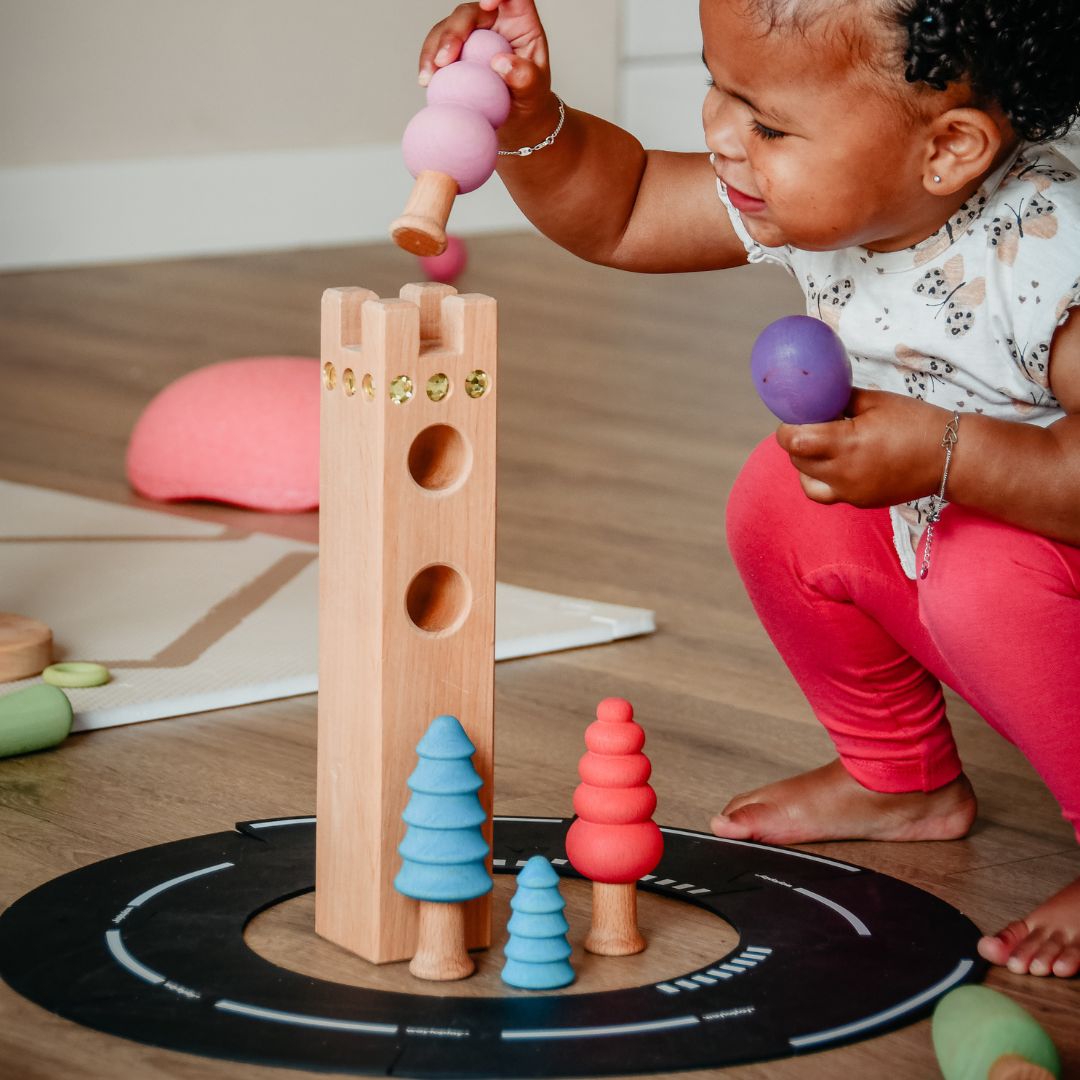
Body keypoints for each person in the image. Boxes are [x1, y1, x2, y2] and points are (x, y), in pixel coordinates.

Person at [418, 0, 1080, 978]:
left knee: (982, 579)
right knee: (780, 498)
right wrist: (532, 120)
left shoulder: (1048, 257)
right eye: (718, 86)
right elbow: (627, 205)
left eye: (766, 122)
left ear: (945, 149)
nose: (720, 132)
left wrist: (948, 455)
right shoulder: (845, 195)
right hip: (942, 518)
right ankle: (900, 777)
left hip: (1038, 541)